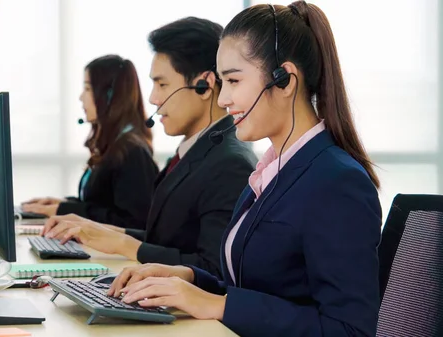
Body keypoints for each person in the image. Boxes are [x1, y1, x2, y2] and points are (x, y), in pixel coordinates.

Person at [107, 2, 382, 336]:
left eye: (234, 81)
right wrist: (188, 278)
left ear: (284, 81)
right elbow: (260, 287)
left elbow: (350, 330)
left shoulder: (337, 182)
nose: (222, 98)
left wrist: (218, 305)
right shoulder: (272, 172)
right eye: (222, 82)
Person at [42, 17, 258, 278]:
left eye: (162, 84)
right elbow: (168, 240)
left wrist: (125, 244)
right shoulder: (196, 150)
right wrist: (101, 230)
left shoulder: (229, 163)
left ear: (205, 85)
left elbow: (213, 269)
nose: (153, 98)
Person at [22, 55, 158, 230]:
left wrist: (62, 210)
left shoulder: (132, 152)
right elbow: (102, 204)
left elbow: (133, 222)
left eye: (87, 88)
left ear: (109, 96)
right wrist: (62, 204)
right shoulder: (114, 146)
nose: (81, 97)